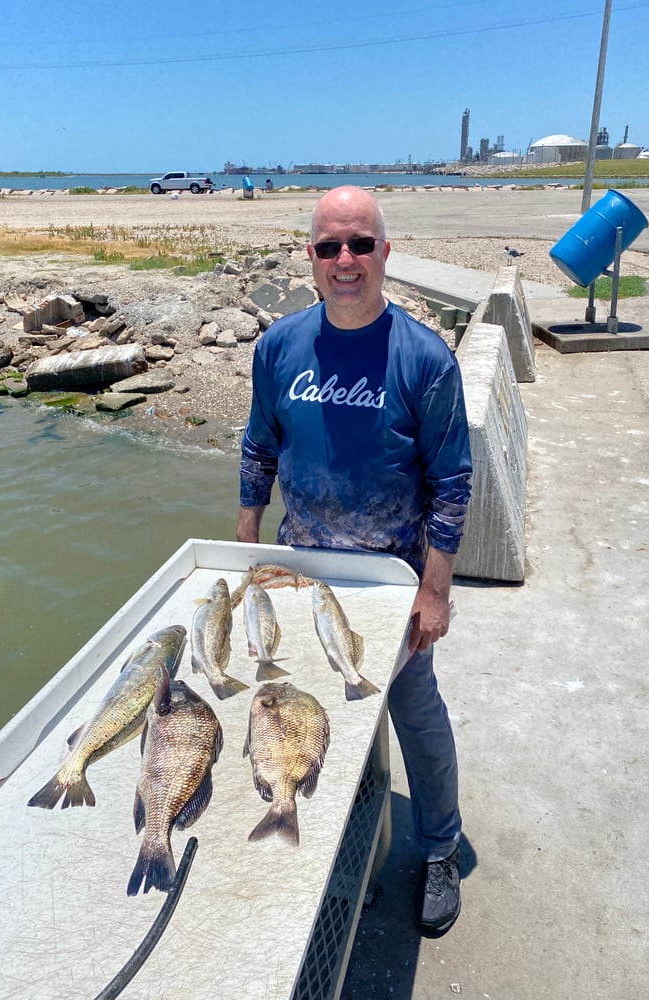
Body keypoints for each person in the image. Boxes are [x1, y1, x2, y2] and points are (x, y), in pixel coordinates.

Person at [236, 185, 472, 936]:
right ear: (310, 255)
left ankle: (438, 846)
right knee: (306, 714)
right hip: (302, 569)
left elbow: (453, 482)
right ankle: (338, 851)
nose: (345, 260)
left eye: (360, 245)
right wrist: (244, 553)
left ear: (384, 254)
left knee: (413, 712)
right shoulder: (278, 348)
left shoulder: (425, 359)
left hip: (391, 578)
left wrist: (433, 593)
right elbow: (258, 450)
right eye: (329, 246)